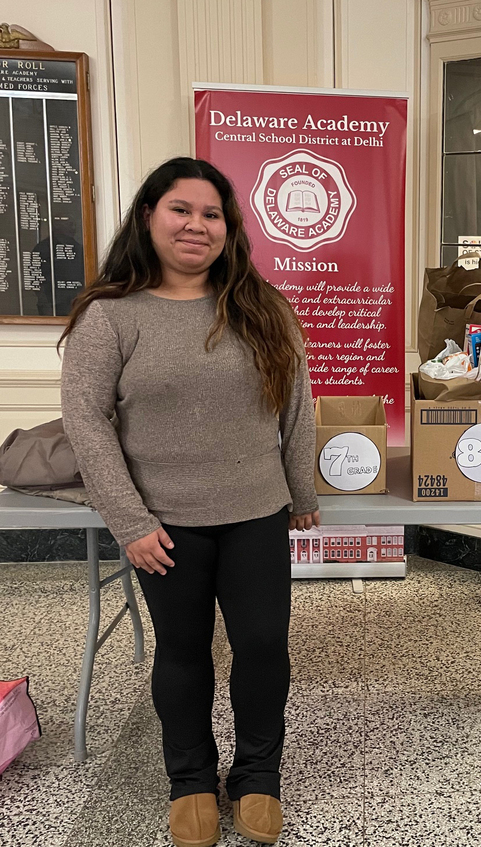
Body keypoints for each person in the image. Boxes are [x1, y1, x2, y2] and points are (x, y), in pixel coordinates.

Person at [59, 157, 319, 847]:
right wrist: (131, 522)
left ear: (228, 228)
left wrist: (302, 490)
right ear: (149, 216)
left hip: (256, 510)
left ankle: (258, 775)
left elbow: (296, 404)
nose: (197, 225)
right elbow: (86, 421)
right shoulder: (110, 315)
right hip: (163, 525)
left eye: (212, 214)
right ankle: (191, 780)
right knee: (182, 649)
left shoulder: (262, 306)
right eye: (182, 209)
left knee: (263, 644)